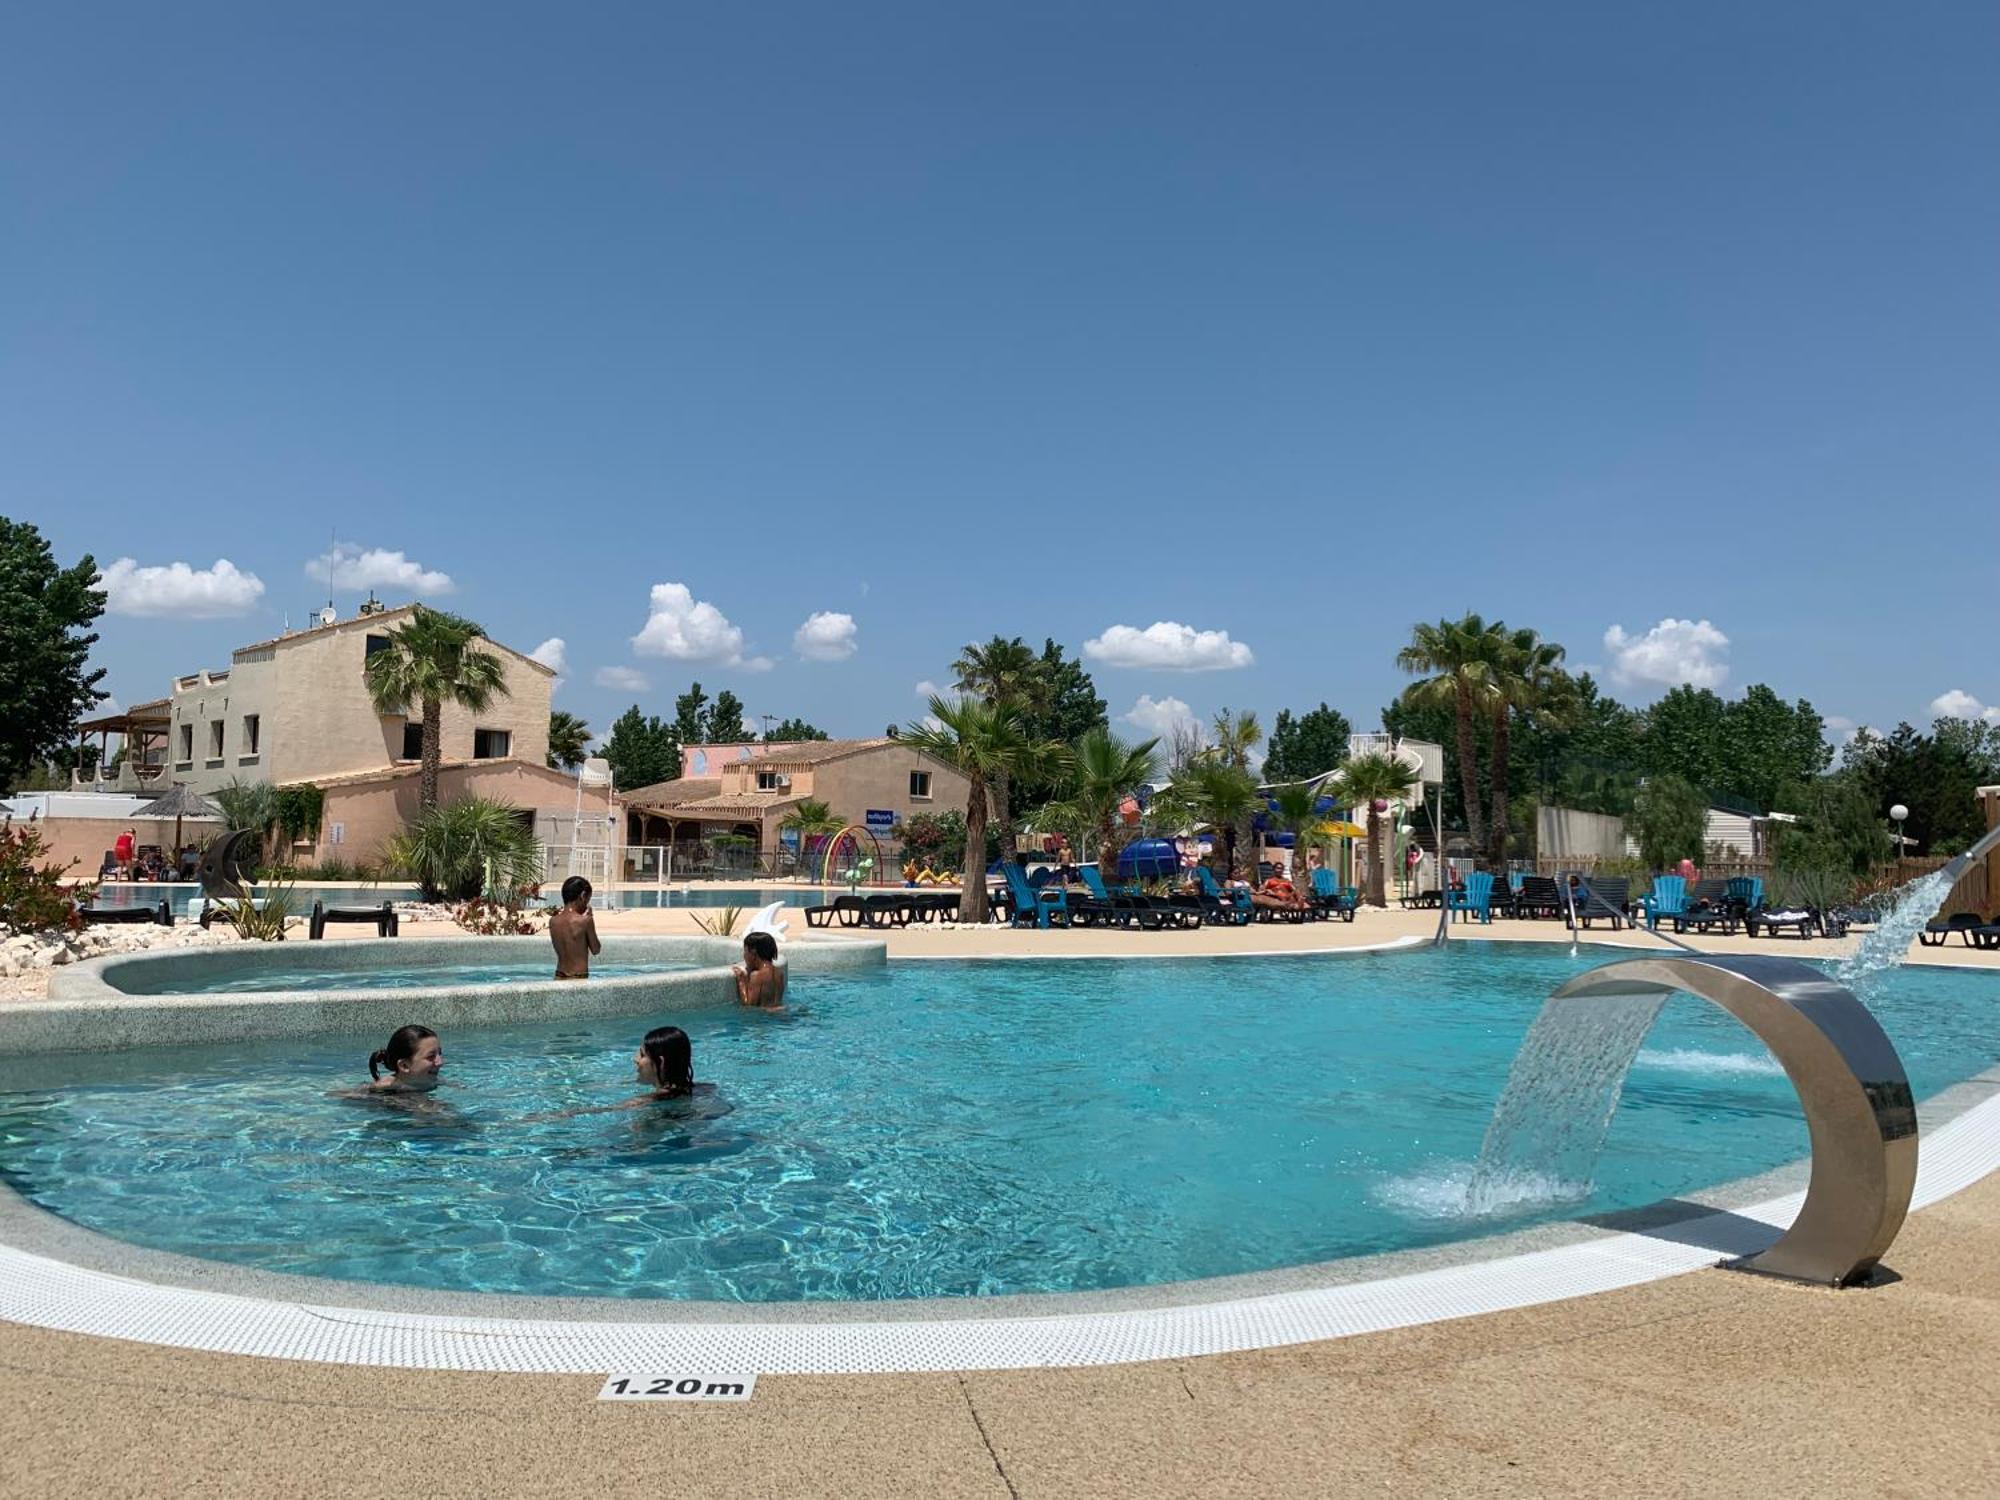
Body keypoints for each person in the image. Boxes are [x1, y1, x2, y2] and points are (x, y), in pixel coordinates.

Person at [363, 1024, 444, 1093]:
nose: (440, 1062)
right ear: (404, 1066)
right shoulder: (387, 1089)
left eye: (439, 1053)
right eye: (430, 1057)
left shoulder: (428, 1078)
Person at [550, 875, 601, 979]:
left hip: (559, 976)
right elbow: (596, 949)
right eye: (588, 899)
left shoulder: (553, 921)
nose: (587, 904)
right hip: (578, 978)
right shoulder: (585, 921)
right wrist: (590, 918)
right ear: (582, 896)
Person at [634, 1025, 696, 1099]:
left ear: (661, 1062)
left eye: (642, 1055)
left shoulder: (639, 1104)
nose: (636, 1059)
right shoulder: (701, 1089)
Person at [732, 931, 786, 1008]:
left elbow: (749, 1006)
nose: (744, 955)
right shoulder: (779, 973)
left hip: (764, 1018)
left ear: (753, 952)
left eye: (745, 951)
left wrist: (742, 981)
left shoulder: (757, 975)